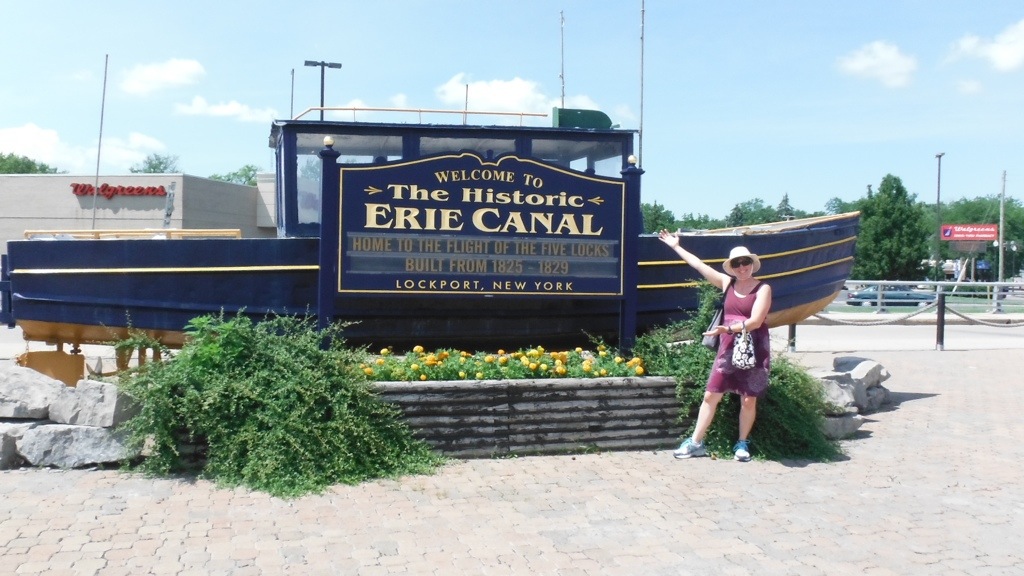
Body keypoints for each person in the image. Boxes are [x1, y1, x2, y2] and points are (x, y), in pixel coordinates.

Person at [657, 230, 773, 462]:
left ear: (752, 264)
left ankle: (742, 444)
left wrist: (727, 329)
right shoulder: (726, 283)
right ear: (731, 267)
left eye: (746, 262)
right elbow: (699, 265)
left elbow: (755, 321)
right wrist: (676, 246)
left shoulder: (763, 289)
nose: (742, 267)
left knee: (749, 398)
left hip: (753, 347)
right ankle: (695, 443)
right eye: (737, 263)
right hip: (728, 347)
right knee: (711, 395)